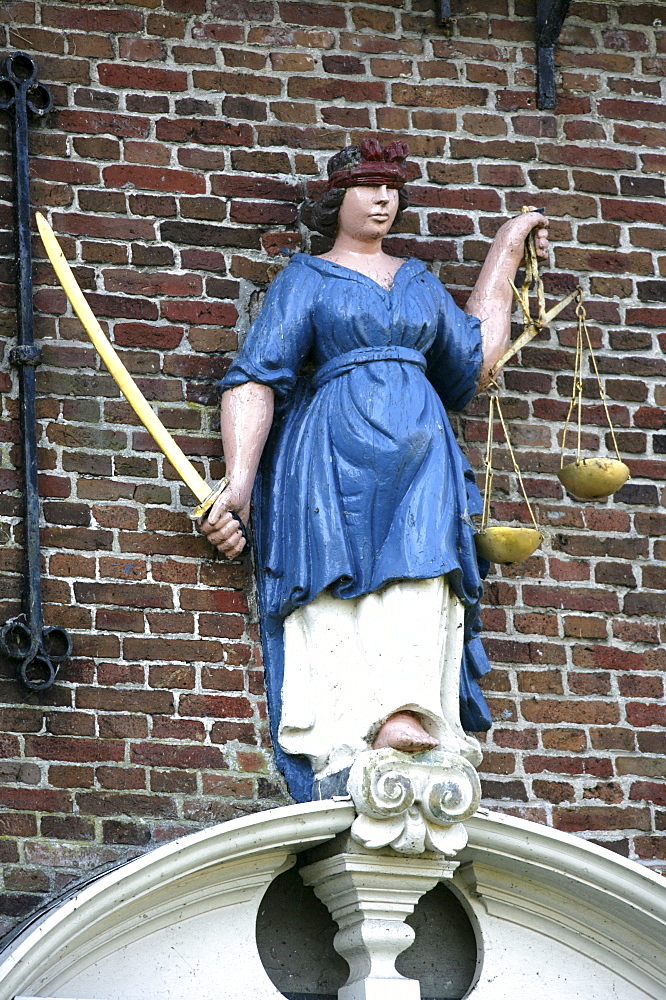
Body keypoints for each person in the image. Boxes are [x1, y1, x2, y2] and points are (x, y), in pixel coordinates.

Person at [199, 140, 549, 801]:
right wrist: (238, 485)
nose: (384, 199)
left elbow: (472, 363)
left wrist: (506, 249)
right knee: (339, 571)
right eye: (369, 187)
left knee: (422, 565)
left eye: (393, 188)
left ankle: (412, 709)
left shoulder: (416, 280)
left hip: (422, 454)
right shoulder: (307, 279)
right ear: (339, 201)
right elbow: (254, 377)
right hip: (333, 449)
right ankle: (355, 717)